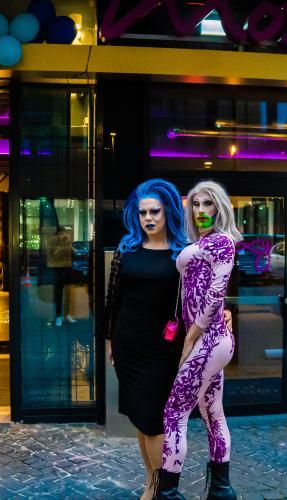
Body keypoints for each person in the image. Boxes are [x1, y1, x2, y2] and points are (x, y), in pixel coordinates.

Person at [104, 179, 232, 500]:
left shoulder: (185, 251)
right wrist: (109, 340)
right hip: (128, 345)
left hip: (165, 348)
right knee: (141, 418)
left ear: (168, 212)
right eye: (142, 212)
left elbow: (208, 292)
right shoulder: (127, 249)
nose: (148, 218)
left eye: (155, 212)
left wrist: (223, 314)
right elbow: (113, 299)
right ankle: (151, 483)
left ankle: (163, 490)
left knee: (156, 421)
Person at [154, 180, 242, 500]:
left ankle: (168, 493)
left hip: (210, 339)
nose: (201, 209)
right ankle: (221, 490)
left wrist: (191, 339)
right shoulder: (202, 241)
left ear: (219, 208)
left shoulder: (221, 241)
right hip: (211, 340)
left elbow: (216, 294)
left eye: (208, 203)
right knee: (212, 412)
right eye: (196, 203)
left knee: (174, 412)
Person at [47, 227, 76, 326]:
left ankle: (67, 315)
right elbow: (54, 256)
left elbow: (74, 252)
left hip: (68, 270)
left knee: (68, 294)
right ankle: (58, 316)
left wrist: (68, 242)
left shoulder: (67, 242)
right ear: (57, 235)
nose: (63, 235)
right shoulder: (54, 243)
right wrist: (60, 246)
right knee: (58, 295)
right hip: (58, 271)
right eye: (61, 234)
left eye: (64, 233)